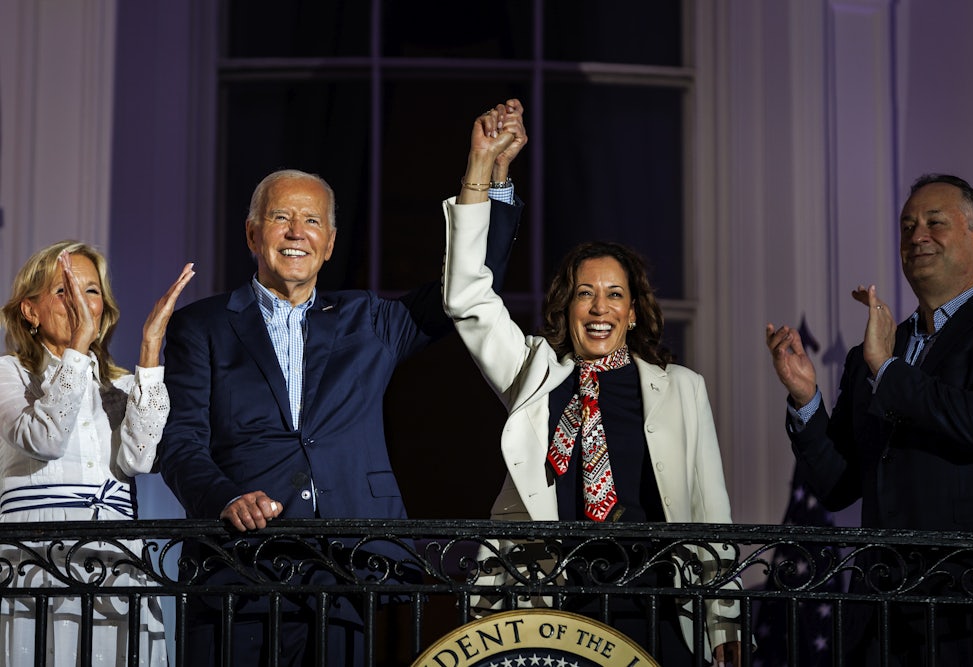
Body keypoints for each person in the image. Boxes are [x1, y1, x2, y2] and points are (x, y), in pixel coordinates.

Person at [158, 100, 527, 666]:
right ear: (253, 234)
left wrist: (487, 175)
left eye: (312, 221)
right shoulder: (202, 326)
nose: (296, 232)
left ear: (329, 243)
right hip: (237, 572)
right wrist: (226, 498)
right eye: (282, 218)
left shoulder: (368, 320)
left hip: (349, 570)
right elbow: (180, 444)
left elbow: (470, 285)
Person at [440, 118, 743, 665]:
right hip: (551, 603)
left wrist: (724, 626)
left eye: (613, 295)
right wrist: (479, 171)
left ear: (632, 313)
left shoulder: (681, 390)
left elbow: (711, 512)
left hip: (654, 602)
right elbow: (468, 298)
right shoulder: (535, 372)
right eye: (586, 294)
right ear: (568, 306)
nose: (599, 307)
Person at [765, 173, 973, 664]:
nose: (917, 236)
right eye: (907, 226)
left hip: (968, 610)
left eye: (935, 223)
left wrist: (888, 370)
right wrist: (807, 400)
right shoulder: (870, 353)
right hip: (877, 612)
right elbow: (837, 486)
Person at [0, 240, 194, 666]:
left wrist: (149, 348)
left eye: (90, 290)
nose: (80, 302)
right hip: (34, 563)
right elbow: (44, 438)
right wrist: (78, 348)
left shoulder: (120, 387)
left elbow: (141, 459)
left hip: (114, 562)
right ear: (30, 311)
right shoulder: (8, 374)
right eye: (63, 289)